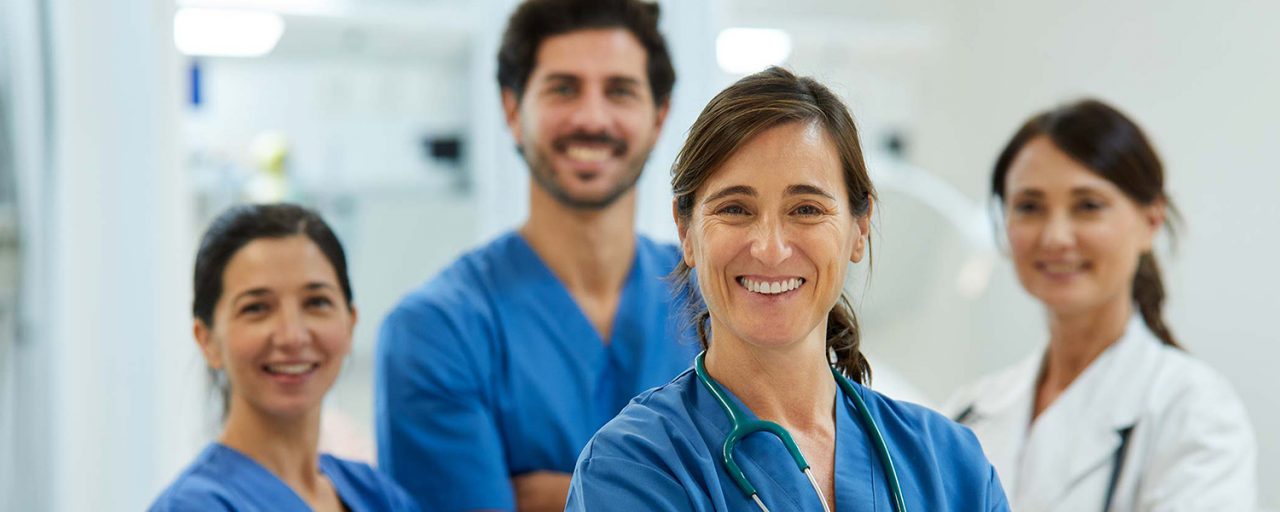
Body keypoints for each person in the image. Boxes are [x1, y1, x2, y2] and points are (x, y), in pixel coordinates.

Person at [566, 67, 1010, 511]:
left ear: (859, 227)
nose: (771, 249)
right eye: (736, 209)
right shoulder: (634, 466)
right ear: (686, 231)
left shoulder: (951, 465)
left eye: (806, 209)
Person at [374, 1, 692, 510]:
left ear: (659, 117)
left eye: (620, 90)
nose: (591, 117)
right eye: (562, 89)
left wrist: (555, 495)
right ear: (512, 110)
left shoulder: (714, 302)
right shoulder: (436, 332)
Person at [944, 99, 1257, 511]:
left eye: (1088, 206)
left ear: (1150, 222)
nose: (1055, 237)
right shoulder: (968, 413)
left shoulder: (1194, 412)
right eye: (1029, 207)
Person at [150, 204, 419, 511]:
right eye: (256, 308)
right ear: (207, 340)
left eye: (317, 302)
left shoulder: (377, 495)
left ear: (350, 324)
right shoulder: (197, 505)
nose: (293, 336)